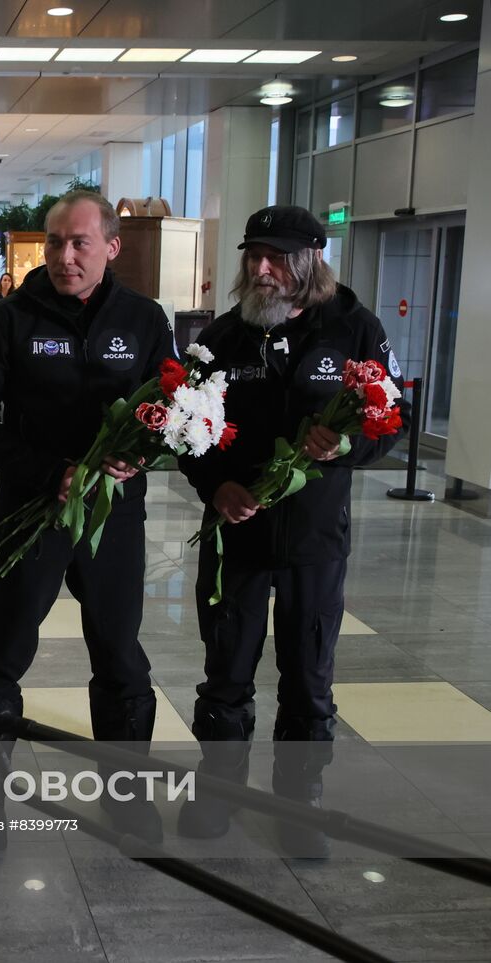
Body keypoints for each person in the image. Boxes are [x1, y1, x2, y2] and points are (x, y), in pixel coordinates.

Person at [176, 206, 407, 856]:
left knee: (309, 678)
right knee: (226, 671)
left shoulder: (354, 328)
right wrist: (213, 483)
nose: (261, 268)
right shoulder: (223, 336)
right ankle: (220, 790)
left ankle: (297, 801)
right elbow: (185, 427)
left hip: (314, 539)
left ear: (309, 260)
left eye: (275, 257)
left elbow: (394, 419)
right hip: (236, 533)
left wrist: (346, 450)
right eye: (254, 256)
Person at [0, 190, 177, 846]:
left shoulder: (143, 319)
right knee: (2, 654)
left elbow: (171, 408)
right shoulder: (10, 318)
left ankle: (127, 798)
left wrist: (144, 453)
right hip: (32, 507)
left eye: (80, 242)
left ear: (112, 245)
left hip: (114, 517)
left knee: (121, 658)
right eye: (55, 242)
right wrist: (52, 472)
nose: (65, 256)